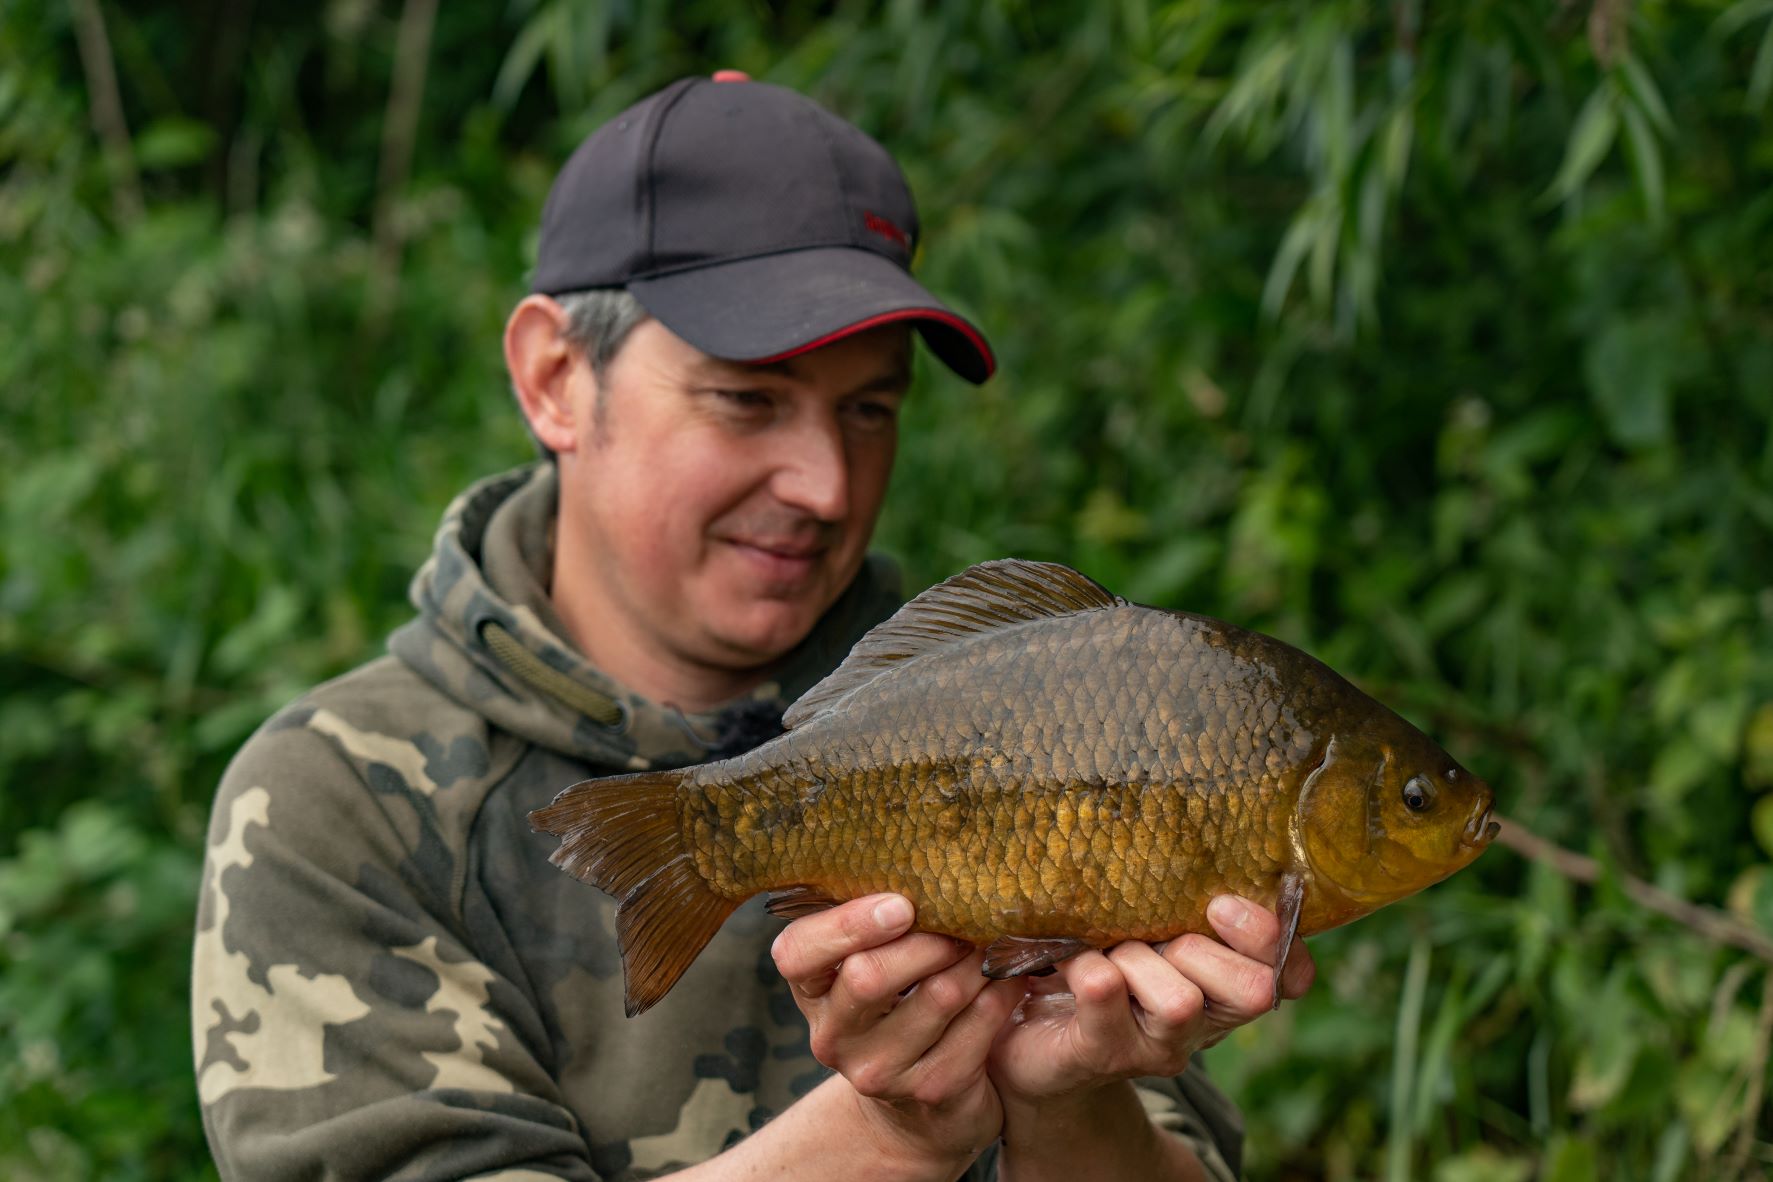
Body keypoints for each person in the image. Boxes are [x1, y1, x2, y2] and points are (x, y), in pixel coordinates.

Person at [190, 73, 1314, 1181]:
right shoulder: (334, 805)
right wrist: (888, 1139)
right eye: (747, 399)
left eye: (869, 408)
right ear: (554, 380)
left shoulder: (1019, 711)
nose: (826, 484)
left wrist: (1063, 1103)